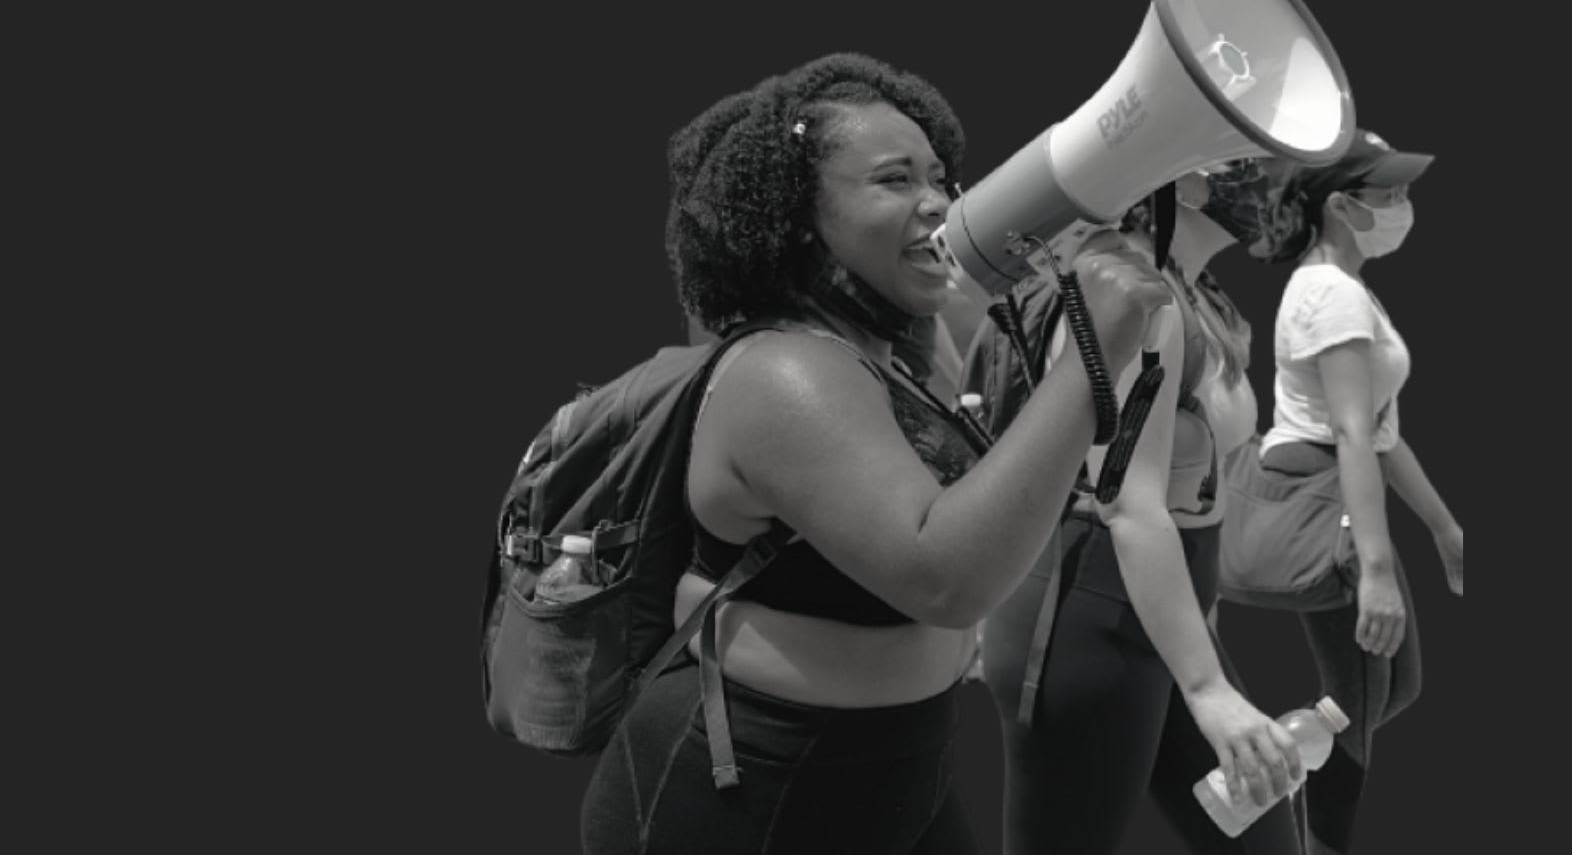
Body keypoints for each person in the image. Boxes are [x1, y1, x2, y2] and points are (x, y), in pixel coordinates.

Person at [577, 52, 1174, 854]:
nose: (940, 203)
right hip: (751, 793)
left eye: (941, 177)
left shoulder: (885, 351)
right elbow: (946, 577)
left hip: (900, 768)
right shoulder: (783, 372)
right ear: (797, 220)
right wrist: (1091, 354)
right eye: (895, 180)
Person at [974, 162, 1309, 854]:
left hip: (1155, 611)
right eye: (1255, 162)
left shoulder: (1195, 292)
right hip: (1084, 618)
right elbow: (1129, 504)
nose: (1283, 183)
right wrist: (1208, 688)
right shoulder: (1128, 293)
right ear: (1181, 180)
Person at [1236, 130, 1464, 854]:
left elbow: (1380, 433)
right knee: (1361, 708)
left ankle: (1265, 757)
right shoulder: (1331, 293)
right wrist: (1374, 572)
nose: (1402, 205)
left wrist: (1441, 525)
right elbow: (1351, 433)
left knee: (1395, 690)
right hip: (1327, 500)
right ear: (1340, 205)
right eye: (1386, 194)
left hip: (1343, 488)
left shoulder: (1344, 287)